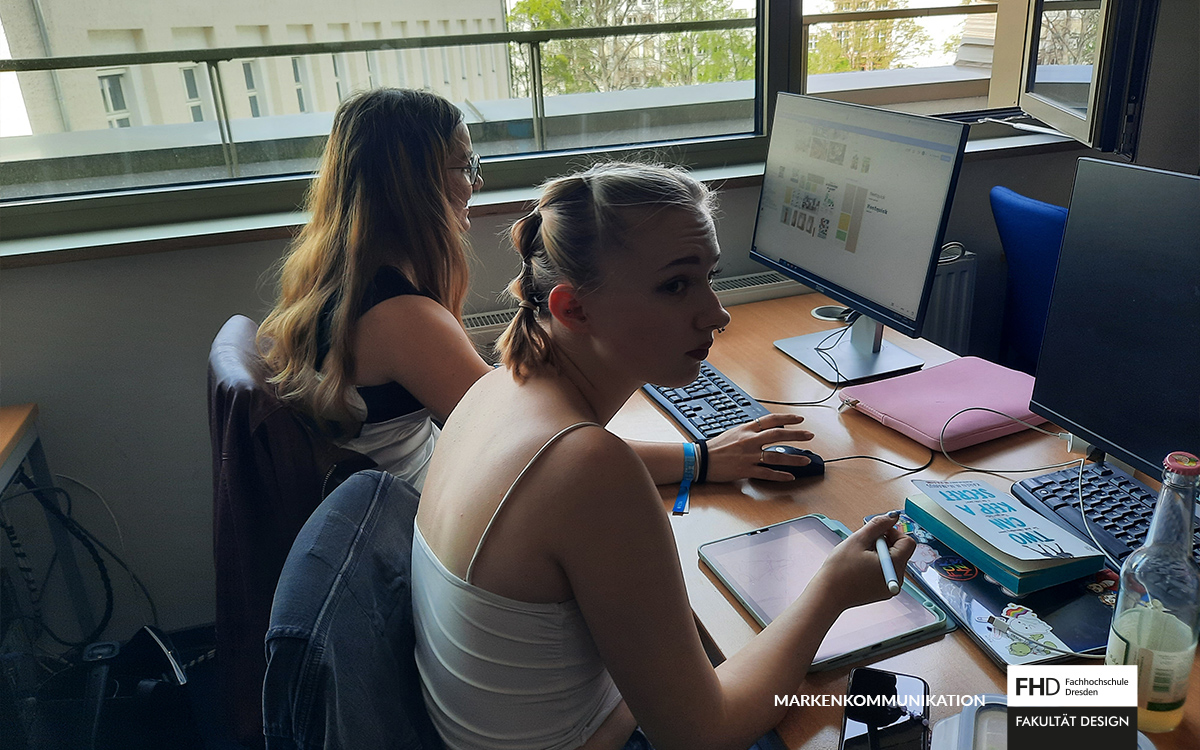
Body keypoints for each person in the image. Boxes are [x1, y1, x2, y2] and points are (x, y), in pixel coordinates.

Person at [412, 162, 917, 749]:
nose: (718, 314)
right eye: (676, 286)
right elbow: (702, 736)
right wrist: (833, 589)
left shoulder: (496, 389)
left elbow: (561, 480)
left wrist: (701, 460)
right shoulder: (588, 470)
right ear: (574, 309)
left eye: (709, 277)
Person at [258, 88, 813, 492]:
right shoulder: (402, 317)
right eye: (465, 165)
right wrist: (703, 459)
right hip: (419, 520)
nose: (476, 181)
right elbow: (529, 447)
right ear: (413, 183)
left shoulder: (345, 279)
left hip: (428, 493)